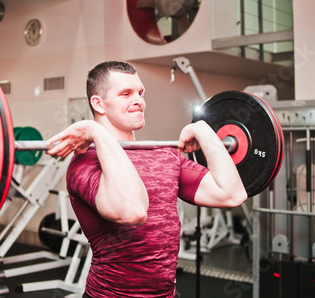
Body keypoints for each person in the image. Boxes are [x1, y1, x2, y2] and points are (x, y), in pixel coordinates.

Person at [45, 61, 247, 298]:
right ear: (98, 104)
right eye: (126, 94)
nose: (139, 100)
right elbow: (133, 211)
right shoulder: (85, 163)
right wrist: (95, 132)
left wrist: (203, 131)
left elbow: (232, 194)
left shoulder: (165, 155)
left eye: (140, 93)